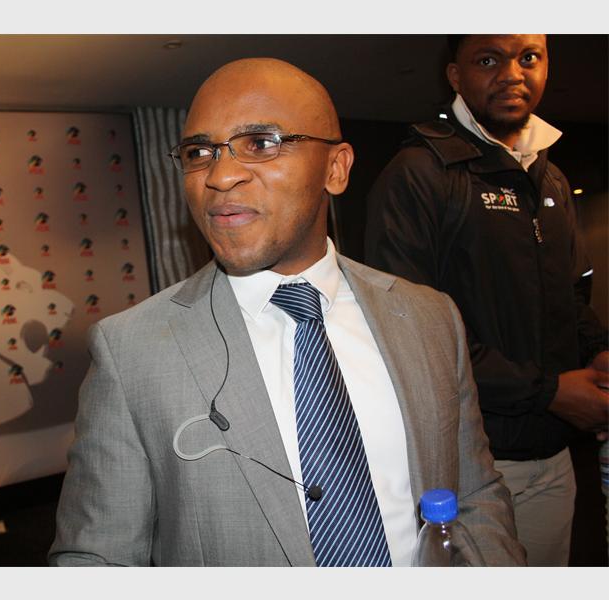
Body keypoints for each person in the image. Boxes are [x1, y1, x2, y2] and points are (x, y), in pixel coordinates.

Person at [49, 57, 524, 567]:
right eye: (199, 152)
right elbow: (96, 559)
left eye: (261, 143)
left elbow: (475, 495)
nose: (220, 175)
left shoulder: (430, 318)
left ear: (336, 169)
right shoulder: (131, 351)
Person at [364, 35, 609, 567]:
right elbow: (410, 334)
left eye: (529, 57)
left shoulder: (551, 177)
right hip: (470, 466)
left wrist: (597, 351)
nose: (513, 74)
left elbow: (570, 294)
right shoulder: (419, 173)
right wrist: (548, 391)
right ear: (456, 75)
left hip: (554, 455)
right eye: (489, 59)